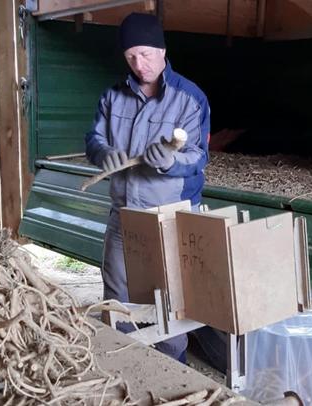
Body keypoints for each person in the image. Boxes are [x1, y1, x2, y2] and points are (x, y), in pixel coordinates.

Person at [84, 12, 210, 363]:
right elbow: (93, 139)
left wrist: (170, 161)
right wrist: (103, 153)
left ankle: (173, 369)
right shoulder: (112, 97)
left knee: (170, 301)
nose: (140, 64)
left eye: (147, 54)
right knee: (117, 298)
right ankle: (125, 365)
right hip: (123, 216)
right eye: (131, 57)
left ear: (163, 50)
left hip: (168, 217)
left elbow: (199, 157)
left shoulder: (189, 98)